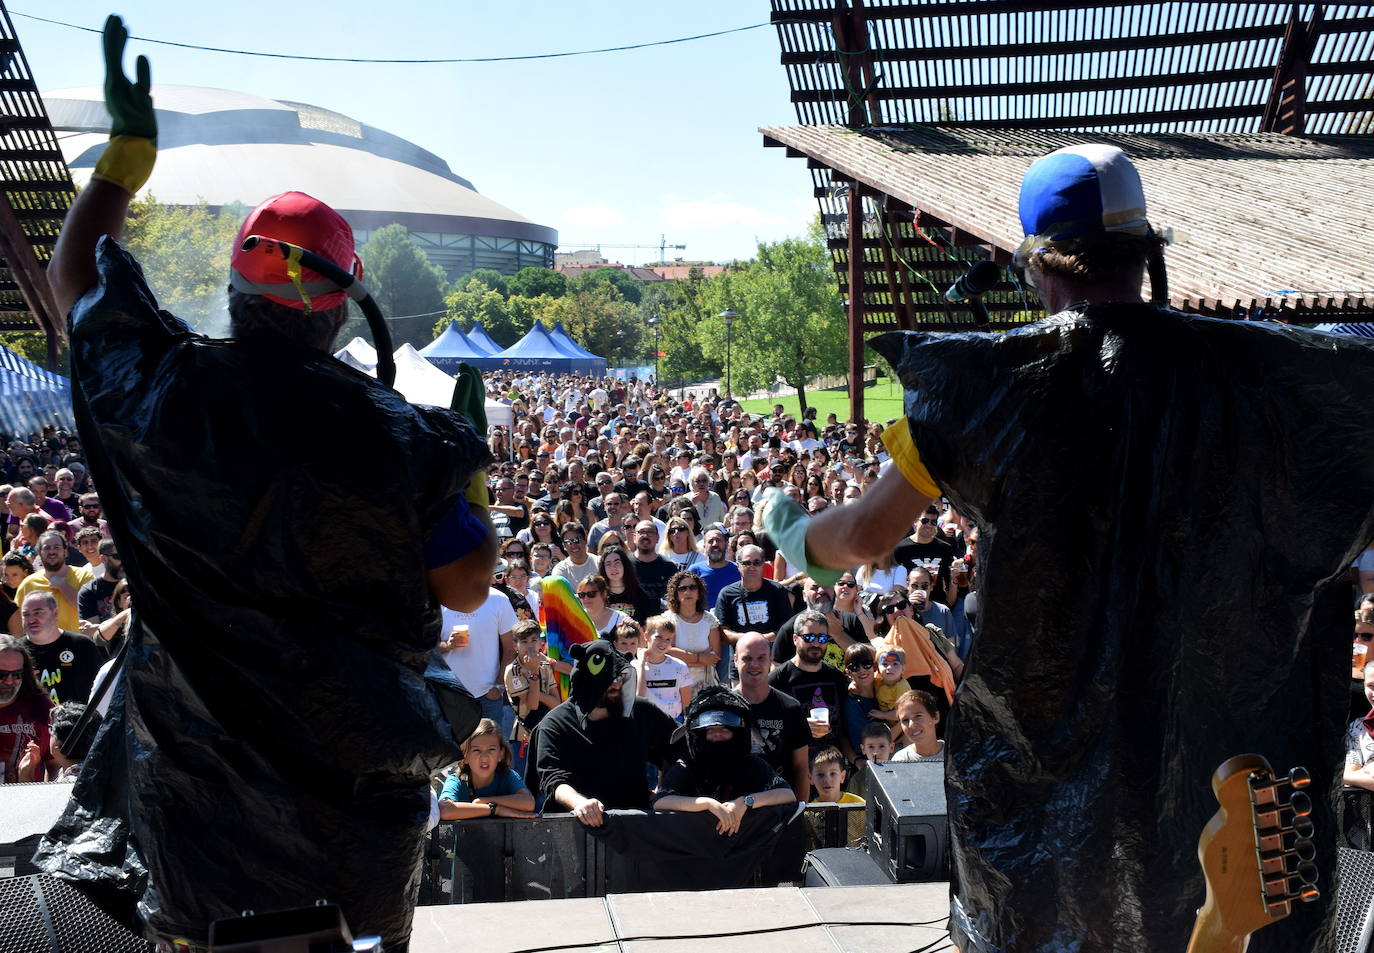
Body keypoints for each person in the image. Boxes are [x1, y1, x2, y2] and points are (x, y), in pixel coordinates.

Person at [759, 142, 1374, 953]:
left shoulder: (987, 385)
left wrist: (795, 535)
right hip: (1226, 785)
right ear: (1146, 254)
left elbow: (865, 535)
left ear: (1038, 267)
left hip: (1046, 801)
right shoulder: (1272, 375)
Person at [38, 20, 497, 950]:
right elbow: (468, 586)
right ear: (343, 305)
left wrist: (120, 171)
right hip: (355, 841)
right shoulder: (401, 433)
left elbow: (72, 280)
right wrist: (472, 474)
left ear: (238, 288)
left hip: (192, 827)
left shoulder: (162, 389)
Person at [533, 638, 676, 823]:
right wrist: (580, 804)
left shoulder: (640, 711)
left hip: (636, 826)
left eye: (619, 678)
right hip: (578, 829)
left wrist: (665, 791)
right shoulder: (556, 723)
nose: (617, 685)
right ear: (589, 679)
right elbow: (553, 779)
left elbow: (679, 747)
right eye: (609, 679)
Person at [651, 686, 795, 835]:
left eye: (725, 729)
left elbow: (787, 794)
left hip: (743, 848)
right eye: (711, 730)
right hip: (695, 846)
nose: (718, 734)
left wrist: (745, 802)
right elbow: (660, 802)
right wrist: (706, 804)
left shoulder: (751, 764)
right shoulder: (687, 766)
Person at [769, 609, 855, 765]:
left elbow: (843, 727)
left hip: (832, 768)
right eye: (809, 637)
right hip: (794, 767)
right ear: (795, 639)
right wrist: (801, 727)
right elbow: (769, 729)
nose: (816, 643)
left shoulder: (835, 676)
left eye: (822, 638)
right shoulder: (778, 680)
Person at [438, 718, 537, 820]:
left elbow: (528, 803)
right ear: (465, 756)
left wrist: (485, 800)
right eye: (477, 750)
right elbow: (444, 809)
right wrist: (495, 809)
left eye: (491, 749)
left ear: (501, 754)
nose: (484, 757)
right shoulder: (457, 779)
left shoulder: (507, 775)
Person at [21, 592, 103, 706]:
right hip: (31, 723)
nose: (31, 620)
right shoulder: (16, 652)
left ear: (55, 613)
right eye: (26, 614)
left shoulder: (82, 645)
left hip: (79, 721)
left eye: (38, 613)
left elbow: (102, 689)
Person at [14, 530, 94, 634]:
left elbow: (91, 611)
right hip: (41, 647)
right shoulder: (28, 584)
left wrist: (63, 586)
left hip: (78, 646)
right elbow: (18, 623)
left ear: (65, 552)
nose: (52, 551)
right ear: (40, 553)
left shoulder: (84, 576)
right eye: (46, 548)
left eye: (56, 547)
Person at [0, 634, 51, 783]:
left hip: (26, 801)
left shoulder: (42, 707)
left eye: (17, 674)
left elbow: (55, 764)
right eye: (1, 674)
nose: (9, 681)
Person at [634, 615, 692, 719]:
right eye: (658, 637)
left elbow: (686, 705)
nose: (663, 643)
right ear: (646, 636)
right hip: (646, 722)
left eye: (668, 639)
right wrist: (641, 664)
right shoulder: (634, 666)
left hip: (673, 723)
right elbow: (639, 698)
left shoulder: (680, 666)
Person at [890, 690, 944, 762]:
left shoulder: (956, 753)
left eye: (918, 716)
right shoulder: (901, 760)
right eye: (905, 720)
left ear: (935, 717)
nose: (911, 724)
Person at [553, 521, 600, 586]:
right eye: (568, 542)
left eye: (576, 540)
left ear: (585, 540)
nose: (573, 545)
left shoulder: (599, 563)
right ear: (564, 546)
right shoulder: (561, 569)